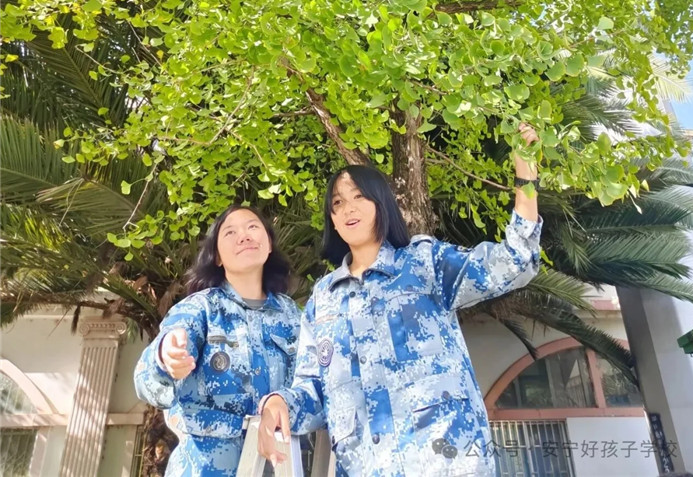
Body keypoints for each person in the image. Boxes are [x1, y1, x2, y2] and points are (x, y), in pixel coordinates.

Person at [257, 123, 543, 477]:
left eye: (358, 197)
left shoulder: (424, 263)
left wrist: (526, 178)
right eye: (337, 203)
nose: (348, 209)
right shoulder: (323, 299)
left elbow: (513, 262)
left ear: (381, 204)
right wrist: (278, 402)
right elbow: (313, 390)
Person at [134, 205, 300, 476]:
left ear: (269, 245)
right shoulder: (199, 309)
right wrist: (165, 357)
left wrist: (283, 403)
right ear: (218, 257)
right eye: (230, 232)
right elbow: (146, 381)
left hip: (275, 467)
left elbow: (312, 385)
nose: (244, 236)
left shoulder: (292, 315)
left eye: (253, 227)